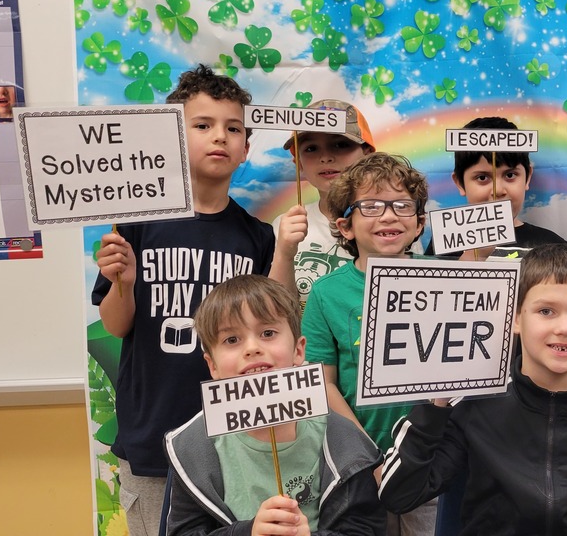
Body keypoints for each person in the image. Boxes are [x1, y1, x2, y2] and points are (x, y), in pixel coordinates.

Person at [92, 64, 304, 536]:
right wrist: (121, 280)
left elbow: (280, 324)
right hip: (154, 434)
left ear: (246, 147)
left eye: (233, 129)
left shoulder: (256, 236)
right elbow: (115, 325)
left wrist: (285, 252)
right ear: (172, 136)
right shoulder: (138, 221)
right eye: (203, 125)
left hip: (239, 433)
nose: (220, 137)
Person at [378, 243, 567, 534]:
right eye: (546, 311)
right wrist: (434, 405)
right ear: (514, 317)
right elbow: (399, 495)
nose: (565, 328)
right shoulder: (472, 405)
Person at [164, 274, 385, 535]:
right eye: (231, 340)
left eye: (268, 333)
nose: (252, 348)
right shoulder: (192, 446)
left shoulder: (343, 441)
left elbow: (366, 529)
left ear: (299, 351)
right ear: (212, 365)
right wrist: (248, 532)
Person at [301, 152, 436, 535]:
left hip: (428, 461)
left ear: (419, 223)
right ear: (345, 226)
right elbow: (322, 383)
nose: (389, 215)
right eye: (372, 206)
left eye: (402, 206)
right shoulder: (326, 295)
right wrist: (364, 455)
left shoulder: (441, 280)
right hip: (358, 463)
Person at [271, 99, 376, 312]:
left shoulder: (393, 220)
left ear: (368, 153)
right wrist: (284, 253)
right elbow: (278, 315)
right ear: (298, 163)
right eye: (311, 148)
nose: (326, 157)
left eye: (340, 144)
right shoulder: (284, 226)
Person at [426, 116, 566, 259]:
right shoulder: (442, 244)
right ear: (460, 183)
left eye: (510, 175)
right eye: (482, 178)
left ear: (527, 177)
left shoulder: (554, 248)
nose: (498, 190)